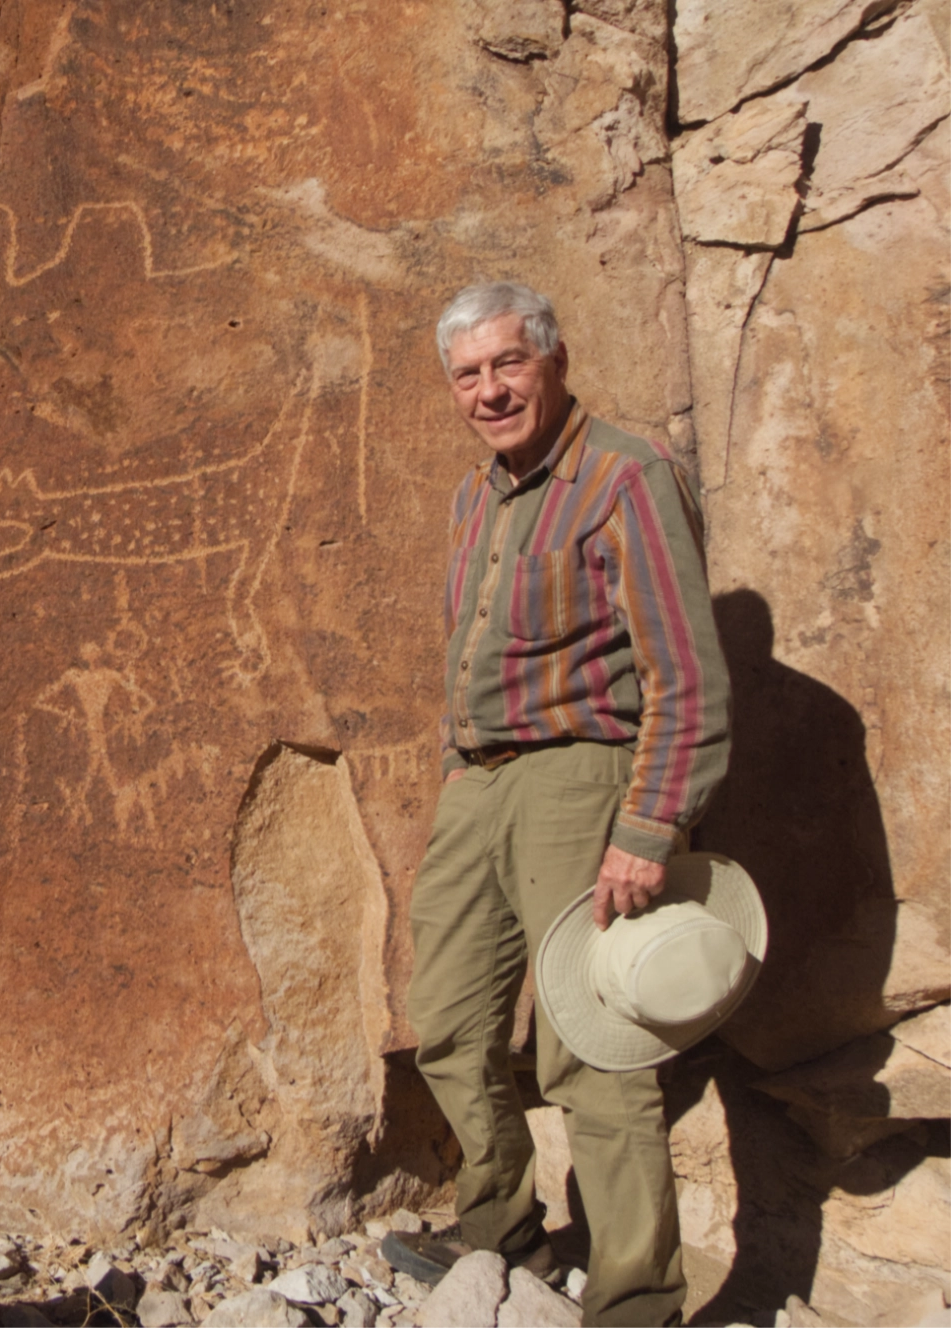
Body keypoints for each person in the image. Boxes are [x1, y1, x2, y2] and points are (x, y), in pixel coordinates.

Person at [383, 282, 731, 1328]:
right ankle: (502, 1229)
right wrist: (455, 763)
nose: (489, 390)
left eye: (507, 364)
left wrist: (647, 823)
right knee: (447, 1019)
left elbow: (688, 672)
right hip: (478, 782)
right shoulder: (474, 496)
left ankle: (634, 1299)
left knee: (592, 1040)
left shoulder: (626, 477)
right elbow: (467, 651)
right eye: (468, 374)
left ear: (554, 359)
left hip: (583, 775)